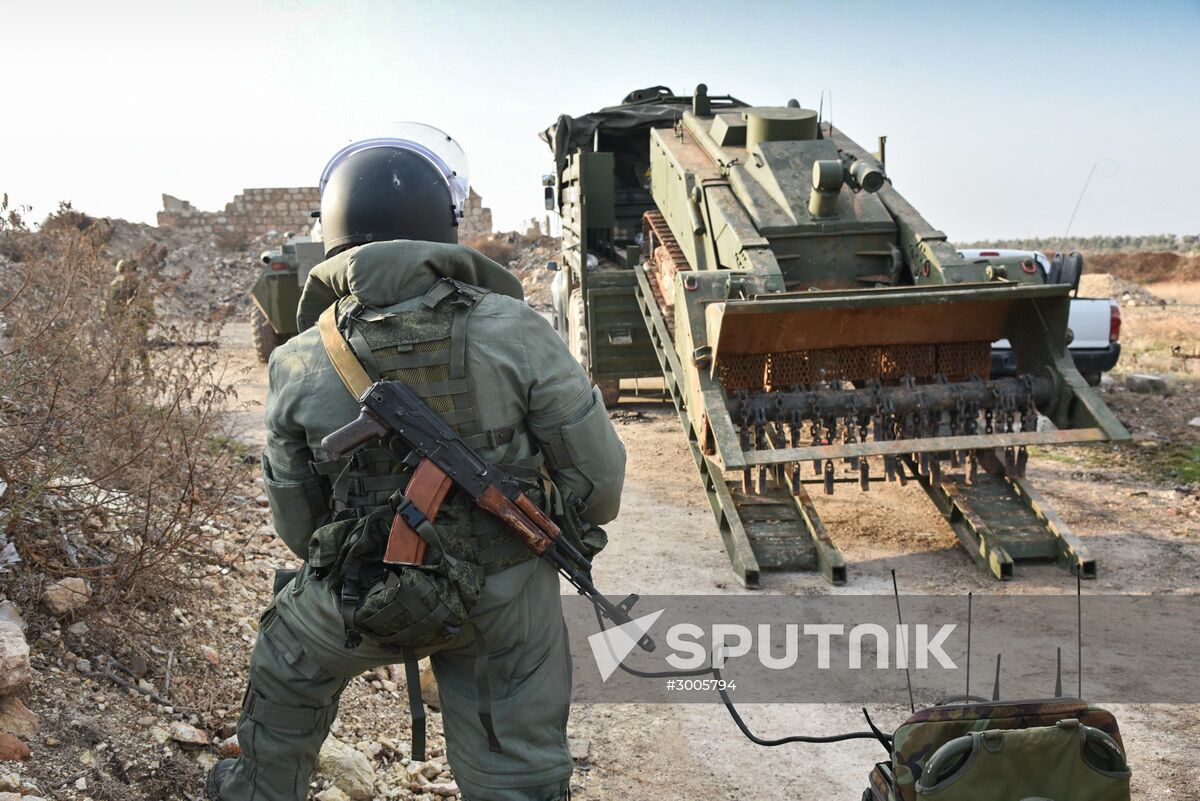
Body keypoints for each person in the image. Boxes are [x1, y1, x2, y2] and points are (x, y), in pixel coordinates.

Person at [207, 126, 626, 801]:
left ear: (335, 231)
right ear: (442, 226)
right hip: (501, 596)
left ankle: (256, 786)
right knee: (516, 758)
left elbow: (298, 523)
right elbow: (599, 481)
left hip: (359, 594)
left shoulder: (296, 358)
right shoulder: (518, 330)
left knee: (287, 661)